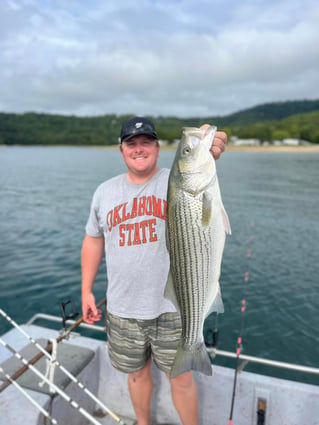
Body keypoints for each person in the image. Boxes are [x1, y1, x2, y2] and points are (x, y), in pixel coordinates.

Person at [81, 116, 227, 425]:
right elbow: (93, 240)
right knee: (136, 376)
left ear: (157, 148)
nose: (138, 149)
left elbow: (202, 156)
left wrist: (206, 147)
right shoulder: (104, 192)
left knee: (183, 379)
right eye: (131, 144)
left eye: (145, 142)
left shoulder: (172, 181)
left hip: (175, 308)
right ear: (121, 151)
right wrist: (86, 290)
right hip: (122, 308)